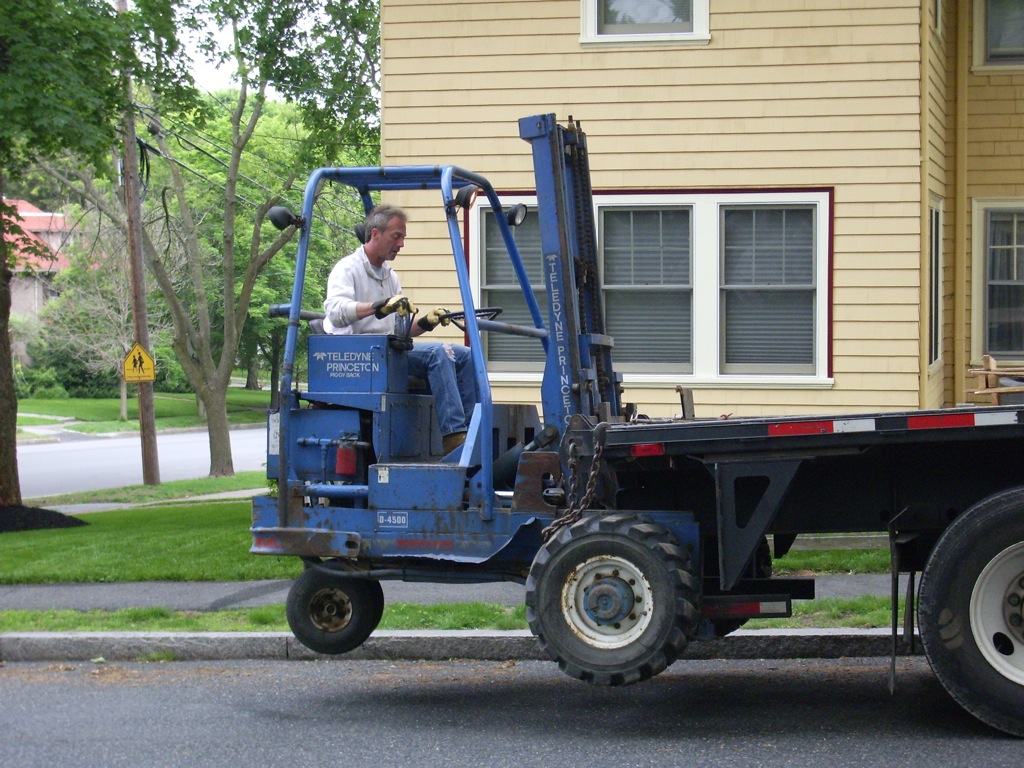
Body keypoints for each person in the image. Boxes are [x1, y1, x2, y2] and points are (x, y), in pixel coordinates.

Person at [323, 204, 478, 455]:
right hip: (360, 357)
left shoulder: (389, 276)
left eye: (403, 237)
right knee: (437, 353)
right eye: (396, 236)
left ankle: (472, 431)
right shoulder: (347, 268)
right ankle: (453, 435)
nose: (401, 244)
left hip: (388, 353)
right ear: (375, 234)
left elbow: (398, 330)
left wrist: (427, 322)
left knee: (465, 355)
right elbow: (335, 312)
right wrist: (377, 306)